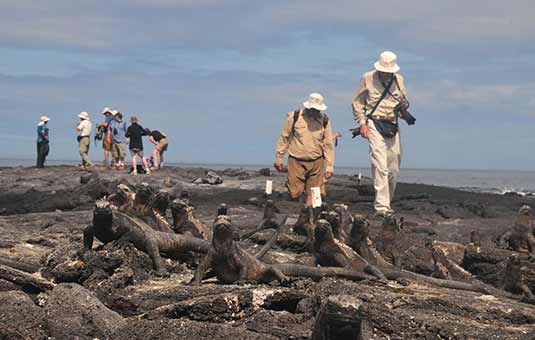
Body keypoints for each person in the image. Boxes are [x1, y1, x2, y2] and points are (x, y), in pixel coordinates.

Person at [351, 51, 409, 216]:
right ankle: (381, 206)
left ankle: (387, 202)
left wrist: (403, 109)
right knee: (379, 165)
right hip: (373, 122)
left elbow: (404, 100)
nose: (385, 73)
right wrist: (362, 123)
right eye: (383, 70)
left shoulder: (399, 80)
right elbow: (357, 102)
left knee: (393, 167)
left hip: (392, 123)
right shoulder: (367, 78)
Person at [274, 93, 335, 206]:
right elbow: (284, 137)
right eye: (313, 109)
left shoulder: (325, 120)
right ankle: (298, 210)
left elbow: (328, 145)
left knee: (314, 193)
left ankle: (310, 215)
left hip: (317, 161)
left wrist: (330, 166)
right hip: (296, 160)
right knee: (294, 193)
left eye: (317, 110)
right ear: (308, 107)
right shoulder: (295, 116)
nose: (315, 112)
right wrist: (279, 158)